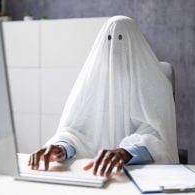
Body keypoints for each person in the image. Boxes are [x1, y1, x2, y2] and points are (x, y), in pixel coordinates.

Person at [28, 16, 179, 177]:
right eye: (109, 39)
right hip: (94, 173)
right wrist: (62, 148)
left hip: (140, 175)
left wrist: (126, 152)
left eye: (121, 39)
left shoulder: (156, 82)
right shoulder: (91, 82)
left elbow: (161, 139)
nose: (114, 47)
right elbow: (75, 131)